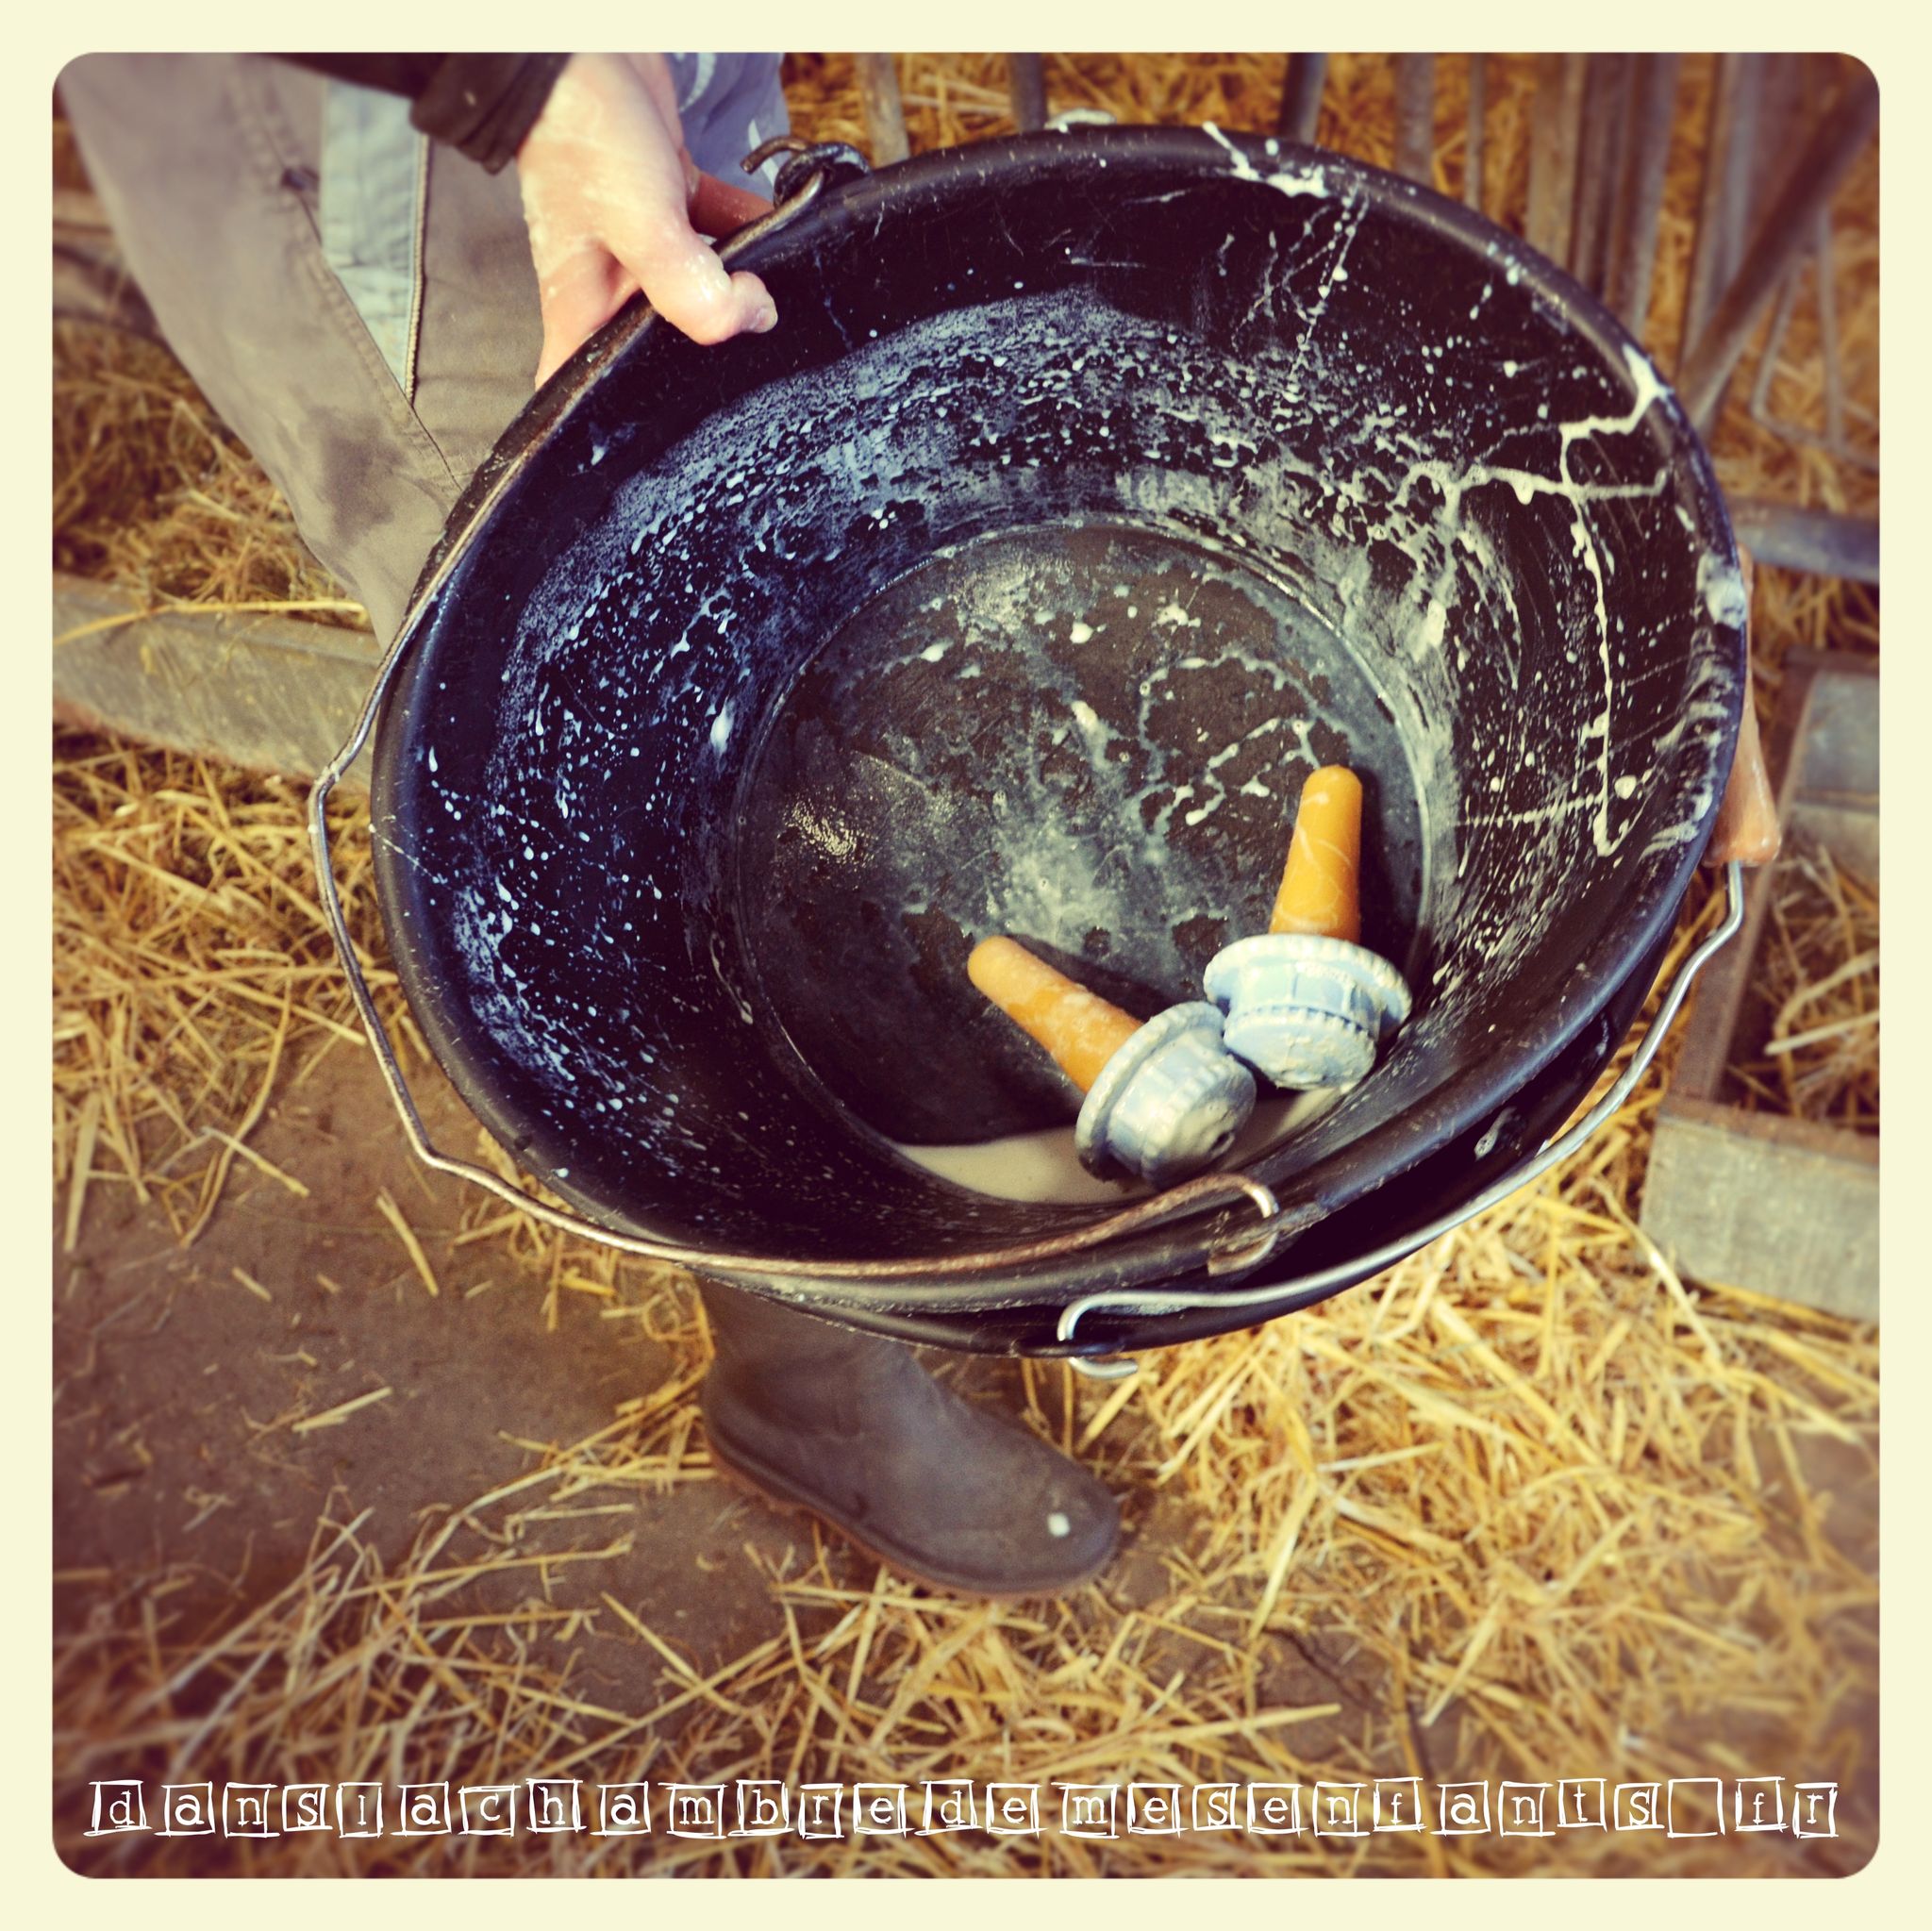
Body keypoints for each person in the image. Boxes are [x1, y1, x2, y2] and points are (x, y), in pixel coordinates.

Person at [59, 53, 1121, 1599]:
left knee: (761, 522)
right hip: (389, 117)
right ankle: (808, 1393)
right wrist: (517, 72)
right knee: (605, 783)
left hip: (626, 61)